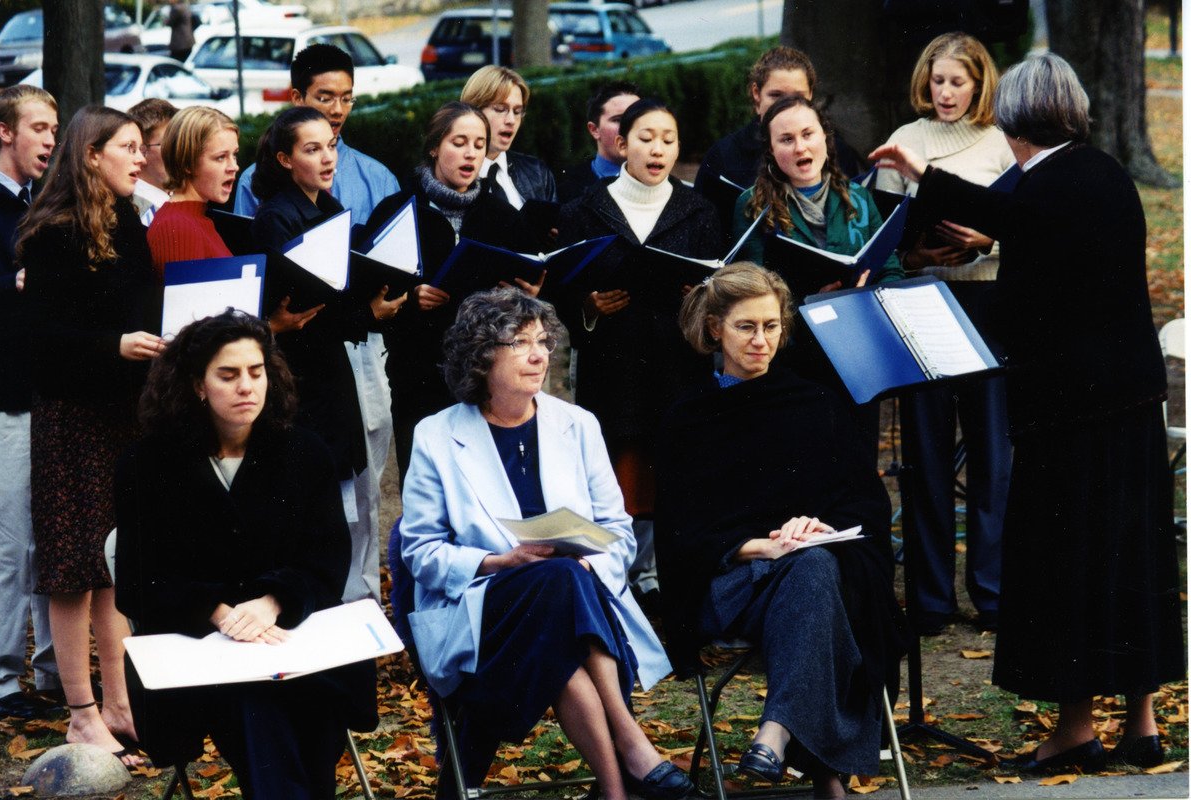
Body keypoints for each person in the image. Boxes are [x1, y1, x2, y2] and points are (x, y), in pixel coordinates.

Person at [871, 52, 1184, 773]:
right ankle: (1141, 723)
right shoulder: (1100, 170)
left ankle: (1075, 728)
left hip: (1069, 413)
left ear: (1013, 117)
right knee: (1129, 555)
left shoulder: (1043, 192)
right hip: (1133, 403)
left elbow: (1018, 283)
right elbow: (1009, 208)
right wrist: (927, 177)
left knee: (1062, 563)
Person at [400, 287, 692, 800]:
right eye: (519, 343)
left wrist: (586, 563)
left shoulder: (577, 425)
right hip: (481, 610)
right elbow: (420, 552)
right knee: (560, 585)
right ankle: (631, 746)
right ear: (481, 355)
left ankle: (614, 790)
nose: (539, 355)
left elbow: (617, 532)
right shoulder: (436, 435)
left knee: (561, 592)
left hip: (573, 600)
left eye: (542, 341)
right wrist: (500, 559)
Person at [656, 262, 906, 800]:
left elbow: (864, 503)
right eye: (746, 326)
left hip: (812, 573)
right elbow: (681, 535)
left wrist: (819, 528)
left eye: (772, 326)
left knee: (814, 570)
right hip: (728, 584)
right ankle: (821, 777)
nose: (761, 340)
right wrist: (760, 546)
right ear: (715, 328)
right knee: (815, 582)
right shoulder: (688, 417)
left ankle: (775, 736)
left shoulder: (815, 403)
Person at [115, 310, 377, 799]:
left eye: (255, 372)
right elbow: (137, 583)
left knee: (309, 709)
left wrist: (272, 602)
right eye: (228, 374)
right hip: (196, 649)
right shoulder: (147, 465)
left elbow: (326, 562)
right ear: (196, 384)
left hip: (292, 638)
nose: (246, 387)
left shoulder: (306, 452)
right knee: (255, 703)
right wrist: (219, 613)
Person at [18, 105, 164, 766]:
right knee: (74, 570)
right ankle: (81, 715)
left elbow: (146, 310)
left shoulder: (131, 221)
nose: (140, 158)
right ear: (91, 155)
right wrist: (117, 346)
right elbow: (41, 344)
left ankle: (120, 705)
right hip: (72, 416)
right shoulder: (50, 233)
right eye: (128, 148)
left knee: (112, 569)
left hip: (124, 414)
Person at [234, 42, 402, 604]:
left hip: (334, 372)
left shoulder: (328, 207)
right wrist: (365, 312)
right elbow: (307, 310)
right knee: (317, 500)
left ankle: (353, 600)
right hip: (302, 377)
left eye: (330, 146)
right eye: (312, 149)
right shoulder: (277, 217)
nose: (328, 158)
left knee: (351, 494)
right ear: (284, 159)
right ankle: (322, 603)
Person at [555, 97, 724, 604]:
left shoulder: (699, 210)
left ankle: (676, 599)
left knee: (677, 488)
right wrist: (588, 304)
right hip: (615, 371)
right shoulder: (584, 209)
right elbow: (565, 292)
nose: (658, 150)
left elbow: (717, 288)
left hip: (679, 371)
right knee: (617, 486)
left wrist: (700, 303)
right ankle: (617, 592)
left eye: (668, 140)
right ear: (621, 145)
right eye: (646, 138)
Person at [875, 32, 1015, 636]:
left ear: (981, 83)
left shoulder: (1001, 144)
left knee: (992, 457)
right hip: (923, 303)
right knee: (926, 457)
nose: (947, 91)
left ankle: (993, 593)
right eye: (938, 80)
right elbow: (884, 236)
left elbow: (1028, 226)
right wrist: (913, 255)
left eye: (959, 80)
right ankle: (930, 599)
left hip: (988, 303)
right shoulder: (906, 141)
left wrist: (990, 240)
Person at [364, 102, 537, 484]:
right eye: (459, 142)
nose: (471, 153)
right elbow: (369, 293)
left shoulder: (502, 215)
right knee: (427, 486)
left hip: (489, 376)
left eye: (479, 143)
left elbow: (530, 287)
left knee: (489, 484)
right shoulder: (397, 210)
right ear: (434, 147)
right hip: (419, 375)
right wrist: (412, 298)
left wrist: (529, 289)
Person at [733, 96, 903, 457]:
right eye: (786, 139)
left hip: (858, 356)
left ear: (825, 137)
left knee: (857, 460)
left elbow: (889, 267)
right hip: (794, 359)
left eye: (808, 134)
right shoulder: (752, 205)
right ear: (770, 149)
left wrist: (871, 293)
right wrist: (810, 299)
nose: (800, 147)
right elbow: (749, 287)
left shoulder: (859, 199)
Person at [0, 85, 59, 720]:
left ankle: (52, 672)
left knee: (48, 538)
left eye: (55, 129)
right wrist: (16, 283)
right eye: (38, 127)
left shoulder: (43, 203)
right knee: (6, 543)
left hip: (48, 397)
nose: (50, 139)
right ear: (5, 132)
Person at [234, 43, 401, 225]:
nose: (338, 110)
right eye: (325, 99)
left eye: (346, 99)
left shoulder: (379, 179)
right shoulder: (254, 181)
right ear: (297, 98)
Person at [699, 47, 861, 192]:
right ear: (757, 93)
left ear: (810, 94)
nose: (786, 107)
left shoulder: (838, 152)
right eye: (776, 96)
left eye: (798, 97)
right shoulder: (723, 155)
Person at [146, 106, 239, 277]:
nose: (234, 166)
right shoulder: (177, 225)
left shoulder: (195, 218)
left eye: (235, 155)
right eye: (221, 157)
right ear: (187, 163)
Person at [461, 66, 557, 208]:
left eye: (517, 111)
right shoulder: (448, 176)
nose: (511, 120)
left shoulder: (537, 173)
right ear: (473, 111)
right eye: (500, 109)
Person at [557, 80, 641, 203]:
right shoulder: (568, 192)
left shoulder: (664, 185)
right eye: (618, 120)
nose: (629, 127)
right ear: (594, 130)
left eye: (636, 118)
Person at [127, 98, 179, 226]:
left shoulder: (171, 198)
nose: (179, 151)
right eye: (169, 144)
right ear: (141, 151)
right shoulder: (142, 213)